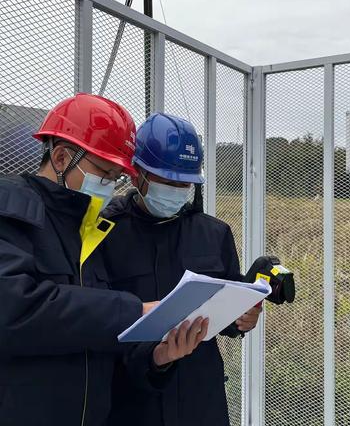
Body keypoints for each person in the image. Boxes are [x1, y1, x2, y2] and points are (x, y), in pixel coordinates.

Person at [0, 94, 207, 426]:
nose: (110, 186)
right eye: (104, 173)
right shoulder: (11, 211)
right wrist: (136, 311)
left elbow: (99, 337)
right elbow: (15, 307)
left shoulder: (90, 228)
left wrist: (157, 358)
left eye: (116, 177)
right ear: (62, 156)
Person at [102, 112, 262, 426]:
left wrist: (242, 319)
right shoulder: (106, 232)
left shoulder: (214, 233)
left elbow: (226, 311)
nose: (177, 189)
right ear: (138, 175)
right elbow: (99, 319)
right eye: (167, 180)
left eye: (185, 182)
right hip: (131, 401)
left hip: (200, 398)